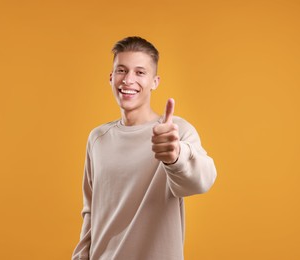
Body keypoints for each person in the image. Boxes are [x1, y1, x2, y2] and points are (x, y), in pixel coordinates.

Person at [72, 36, 217, 260]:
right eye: (121, 70)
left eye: (140, 72)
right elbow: (91, 211)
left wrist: (176, 157)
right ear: (111, 78)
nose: (128, 80)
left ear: (155, 82)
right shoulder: (98, 138)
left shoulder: (174, 131)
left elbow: (202, 180)